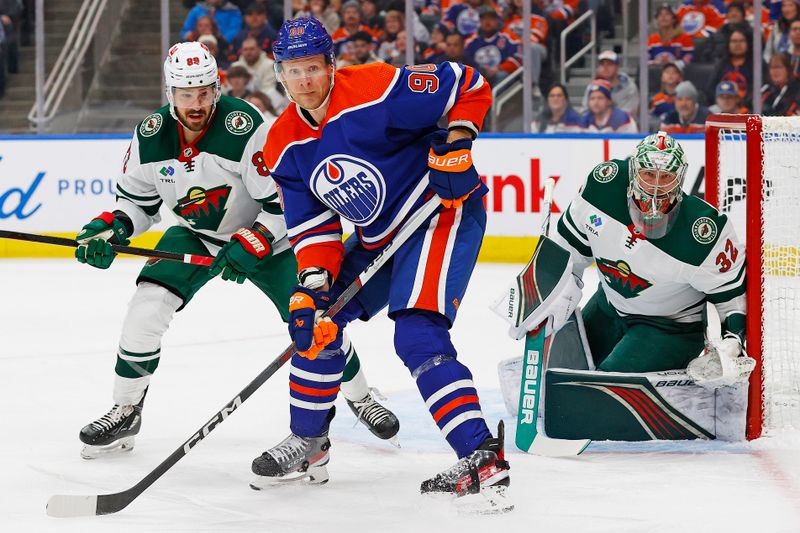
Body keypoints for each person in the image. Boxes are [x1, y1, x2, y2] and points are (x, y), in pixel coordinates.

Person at [73, 41, 399, 460]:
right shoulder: (150, 136)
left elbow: (285, 201)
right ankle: (126, 409)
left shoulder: (244, 126)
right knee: (145, 308)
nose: (196, 103)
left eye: (204, 92)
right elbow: (138, 203)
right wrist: (111, 229)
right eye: (186, 94)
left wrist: (256, 239)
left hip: (269, 239)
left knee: (314, 321)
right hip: (196, 235)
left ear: (217, 87)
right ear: (169, 92)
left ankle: (359, 395)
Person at [250, 17, 511, 504]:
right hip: (379, 237)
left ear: (331, 65)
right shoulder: (282, 144)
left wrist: (458, 141)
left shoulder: (375, 88)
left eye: (312, 67)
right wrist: (311, 285)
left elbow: (468, 84)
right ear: (279, 74)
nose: (303, 80)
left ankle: (481, 455)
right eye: (292, 70)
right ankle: (310, 442)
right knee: (314, 320)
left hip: (440, 213)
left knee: (416, 332)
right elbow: (315, 230)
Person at [546, 132, 747, 375]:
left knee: (605, 388)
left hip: (669, 328)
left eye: (666, 177)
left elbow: (732, 301)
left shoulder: (703, 231)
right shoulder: (603, 187)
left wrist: (732, 341)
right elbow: (567, 251)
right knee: (558, 369)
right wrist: (549, 289)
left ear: (679, 178)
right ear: (633, 171)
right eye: (649, 174)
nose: (655, 186)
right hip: (608, 307)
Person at [464, 6, 521, 87]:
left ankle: (494, 100)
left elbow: (517, 59)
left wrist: (498, 69)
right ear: (480, 22)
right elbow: (466, 62)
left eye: (491, 18)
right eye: (484, 19)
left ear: (497, 21)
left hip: (500, 74)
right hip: (479, 76)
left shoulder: (508, 37)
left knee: (502, 76)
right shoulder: (472, 41)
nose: (487, 22)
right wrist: (480, 71)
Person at [707, 28, 764, 107]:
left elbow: (759, 90)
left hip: (748, 108)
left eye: (741, 41)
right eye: (734, 41)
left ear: (748, 43)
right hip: (721, 106)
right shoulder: (721, 64)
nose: (737, 44)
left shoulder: (757, 64)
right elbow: (711, 89)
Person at [581, 50, 640, 116]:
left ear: (617, 67)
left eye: (609, 64)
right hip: (595, 124)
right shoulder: (592, 86)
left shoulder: (629, 87)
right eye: (602, 64)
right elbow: (585, 111)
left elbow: (628, 114)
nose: (605, 68)